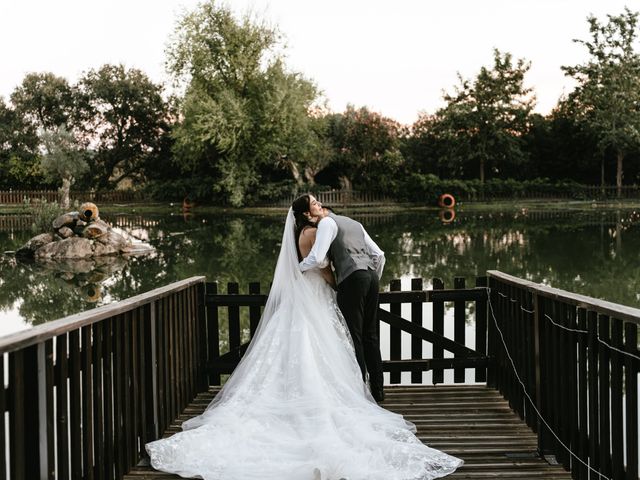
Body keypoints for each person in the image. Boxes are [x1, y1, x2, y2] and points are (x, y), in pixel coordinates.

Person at [145, 198, 462, 480]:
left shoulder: (307, 231)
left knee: (311, 342)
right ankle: (369, 390)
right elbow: (329, 260)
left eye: (320, 203)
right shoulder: (324, 228)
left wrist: (309, 272)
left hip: (317, 291)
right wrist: (340, 274)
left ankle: (361, 388)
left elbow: (320, 260)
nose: (319, 205)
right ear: (307, 213)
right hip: (334, 287)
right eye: (314, 203)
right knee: (350, 339)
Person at [298, 197, 385, 402]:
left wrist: (297, 268)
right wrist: (370, 277)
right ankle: (379, 390)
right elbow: (379, 255)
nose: (319, 208)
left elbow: (318, 258)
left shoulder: (327, 223)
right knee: (370, 335)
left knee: (353, 337)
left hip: (353, 278)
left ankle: (360, 392)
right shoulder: (355, 223)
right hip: (371, 276)